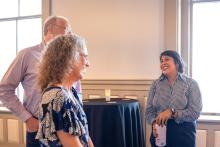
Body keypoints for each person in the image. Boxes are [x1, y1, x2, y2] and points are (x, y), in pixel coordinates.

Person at [0, 16, 81, 147]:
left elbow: (76, 90)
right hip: (38, 128)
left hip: (68, 128)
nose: (71, 34)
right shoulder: (27, 55)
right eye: (67, 29)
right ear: (50, 29)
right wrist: (27, 118)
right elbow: (4, 89)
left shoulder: (70, 58)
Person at [36, 34, 94, 147]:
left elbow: (84, 135)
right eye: (85, 57)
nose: (88, 64)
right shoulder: (57, 97)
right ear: (71, 58)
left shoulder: (71, 92)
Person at [146, 50, 202, 147]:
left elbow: (195, 113)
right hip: (159, 132)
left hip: (183, 134)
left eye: (167, 59)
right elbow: (149, 111)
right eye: (161, 61)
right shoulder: (155, 84)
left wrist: (172, 112)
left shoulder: (191, 84)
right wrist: (154, 123)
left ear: (177, 63)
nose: (163, 63)